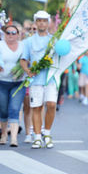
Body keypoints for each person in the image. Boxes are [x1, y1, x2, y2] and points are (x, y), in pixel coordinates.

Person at [20, 10, 58, 149]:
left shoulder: (54, 40)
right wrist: (27, 71)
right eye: (39, 20)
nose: (42, 23)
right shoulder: (28, 41)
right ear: (36, 22)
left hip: (51, 79)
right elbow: (23, 60)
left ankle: (47, 133)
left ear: (48, 23)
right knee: (36, 107)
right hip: (36, 80)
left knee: (51, 105)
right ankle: (37, 137)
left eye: (44, 21)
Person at [0, 25, 25, 147]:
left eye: (14, 33)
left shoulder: (23, 46)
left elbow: (27, 60)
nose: (11, 35)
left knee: (14, 109)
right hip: (2, 82)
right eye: (8, 33)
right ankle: (3, 134)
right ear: (4, 34)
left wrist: (23, 69)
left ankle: (13, 138)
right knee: (3, 110)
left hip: (18, 83)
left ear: (18, 34)